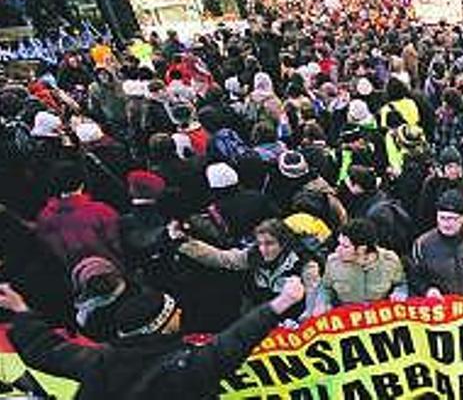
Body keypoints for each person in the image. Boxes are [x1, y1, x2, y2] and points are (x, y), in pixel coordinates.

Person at [0, 277, 304, 398]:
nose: (181, 313)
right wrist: (280, 304)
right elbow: (234, 341)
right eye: (174, 313)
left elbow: (45, 350)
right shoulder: (184, 368)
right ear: (161, 326)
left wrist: (22, 312)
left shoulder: (98, 360)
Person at [174, 218, 317, 320]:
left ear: (283, 243)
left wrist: (307, 318)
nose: (263, 249)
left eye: (269, 244)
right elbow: (222, 258)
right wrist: (185, 244)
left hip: (293, 318)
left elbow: (314, 293)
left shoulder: (304, 263)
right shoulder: (252, 255)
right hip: (261, 313)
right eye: (260, 243)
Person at [36, 160, 123, 272]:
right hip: (111, 272)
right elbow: (117, 245)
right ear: (82, 184)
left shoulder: (44, 217)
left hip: (73, 278)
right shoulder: (102, 211)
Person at [319, 218, 408, 307]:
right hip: (347, 314)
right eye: (339, 244)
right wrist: (322, 303)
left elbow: (401, 283)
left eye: (345, 246)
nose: (337, 250)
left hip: (379, 314)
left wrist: (400, 292)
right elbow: (325, 288)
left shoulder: (390, 261)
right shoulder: (333, 262)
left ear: (362, 249)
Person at [417, 146, 463, 231]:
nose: (454, 170)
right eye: (450, 167)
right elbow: (424, 214)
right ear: (442, 168)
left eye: (457, 166)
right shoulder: (432, 183)